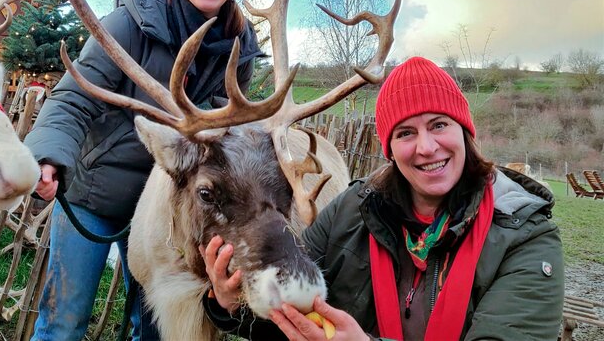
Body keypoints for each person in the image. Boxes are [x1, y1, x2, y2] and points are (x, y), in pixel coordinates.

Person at [202, 56, 564, 340]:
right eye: (406, 132)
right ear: (389, 148)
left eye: (439, 124)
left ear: (465, 132)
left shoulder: (525, 236)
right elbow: (292, 320)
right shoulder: (350, 211)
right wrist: (233, 306)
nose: (426, 147)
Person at [25, 0, 261, 341]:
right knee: (64, 319)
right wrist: (48, 155)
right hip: (95, 195)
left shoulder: (239, 44)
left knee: (155, 328)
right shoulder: (129, 24)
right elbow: (74, 96)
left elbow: (234, 137)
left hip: (169, 212)